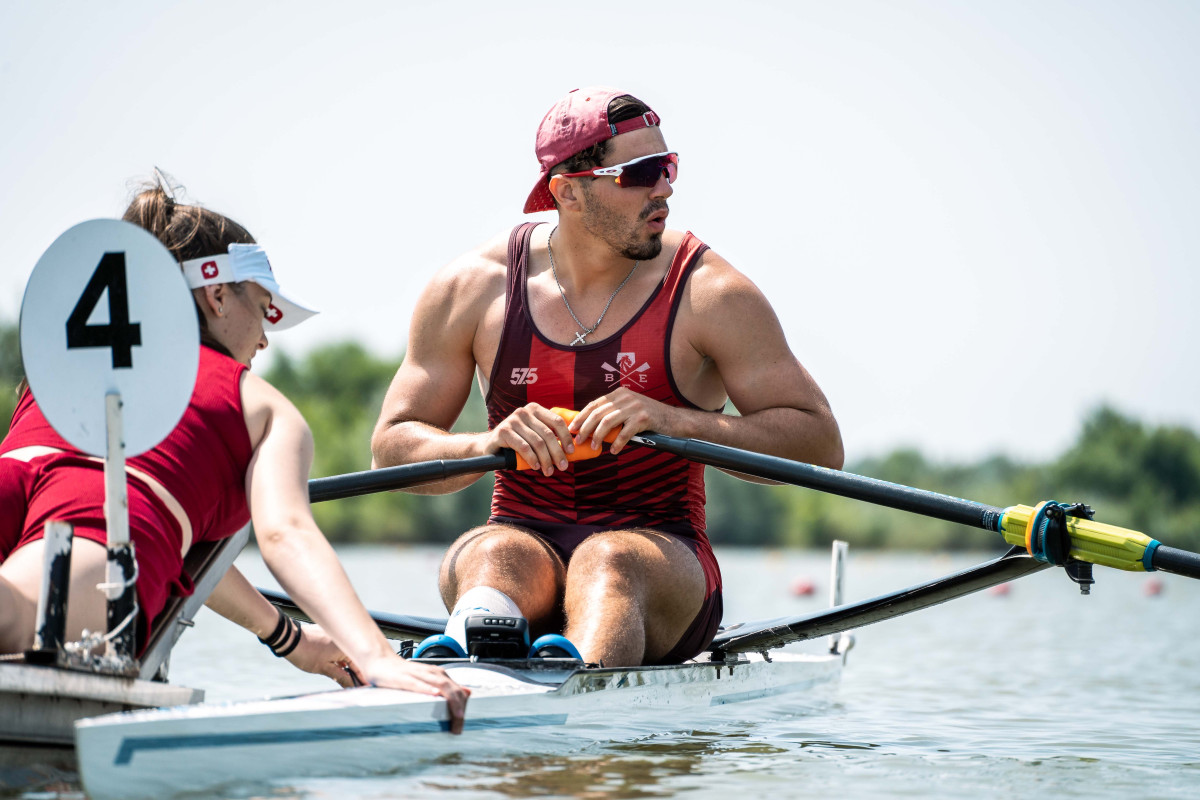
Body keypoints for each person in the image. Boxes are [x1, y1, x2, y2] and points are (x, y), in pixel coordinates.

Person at [371, 87, 844, 668]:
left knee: (607, 560)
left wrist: (676, 422)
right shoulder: (472, 288)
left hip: (663, 553)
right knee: (495, 555)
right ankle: (466, 671)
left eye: (668, 167)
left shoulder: (711, 294)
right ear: (567, 191)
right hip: (520, 536)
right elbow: (390, 451)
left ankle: (571, 683)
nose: (664, 189)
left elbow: (821, 446)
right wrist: (483, 445)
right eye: (639, 173)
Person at [0, 178, 468, 731]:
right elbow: (285, 534)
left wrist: (289, 638)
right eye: (265, 310)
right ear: (217, 295)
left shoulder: (52, 378)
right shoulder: (262, 406)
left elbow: (188, 556)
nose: (266, 340)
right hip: (98, 531)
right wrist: (377, 657)